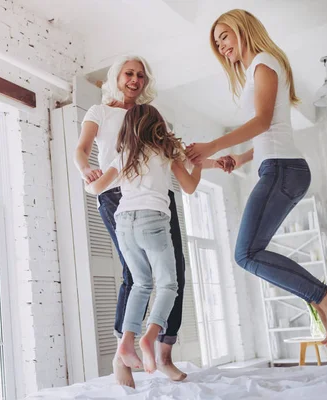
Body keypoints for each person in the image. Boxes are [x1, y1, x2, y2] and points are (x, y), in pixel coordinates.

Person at [186, 9, 327, 348]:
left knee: (245, 253)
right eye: (217, 43)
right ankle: (325, 298)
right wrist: (242, 157)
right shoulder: (257, 69)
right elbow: (272, 129)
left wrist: (212, 144)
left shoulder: (263, 62)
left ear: (242, 30)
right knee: (250, 252)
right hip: (277, 167)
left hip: (282, 169)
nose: (221, 47)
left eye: (225, 37)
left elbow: (262, 122)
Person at [73, 55, 187, 387]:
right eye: (129, 73)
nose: (135, 79)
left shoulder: (150, 117)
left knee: (174, 270)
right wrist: (86, 170)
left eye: (141, 76)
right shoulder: (100, 111)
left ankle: (164, 352)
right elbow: (81, 150)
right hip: (115, 192)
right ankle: (122, 351)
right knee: (133, 273)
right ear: (116, 76)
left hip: (157, 196)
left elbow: (173, 154)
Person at [85, 104, 202, 373]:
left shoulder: (124, 154)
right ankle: (150, 337)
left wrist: (87, 176)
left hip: (123, 221)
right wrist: (198, 169)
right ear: (158, 126)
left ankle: (126, 343)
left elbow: (95, 189)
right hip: (153, 220)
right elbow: (189, 186)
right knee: (169, 285)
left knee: (140, 284)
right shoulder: (165, 151)